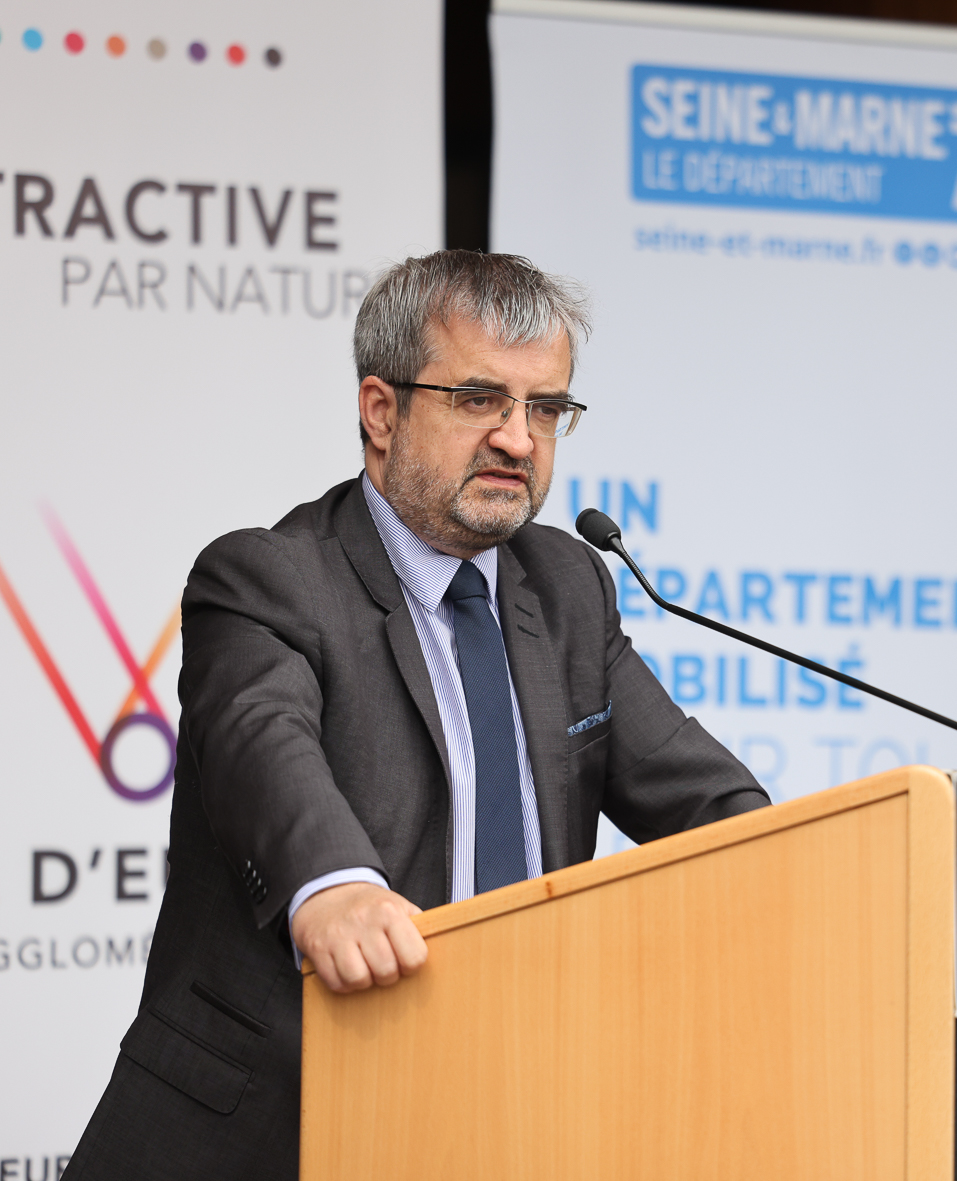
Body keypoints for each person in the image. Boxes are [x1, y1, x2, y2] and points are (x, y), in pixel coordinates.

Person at [66, 251, 771, 1179]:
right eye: (480, 399)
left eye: (545, 409)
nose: (519, 440)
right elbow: (256, 741)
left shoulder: (566, 586)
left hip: (507, 1112)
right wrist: (334, 884)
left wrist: (833, 868)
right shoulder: (269, 576)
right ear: (381, 410)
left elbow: (709, 803)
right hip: (273, 1125)